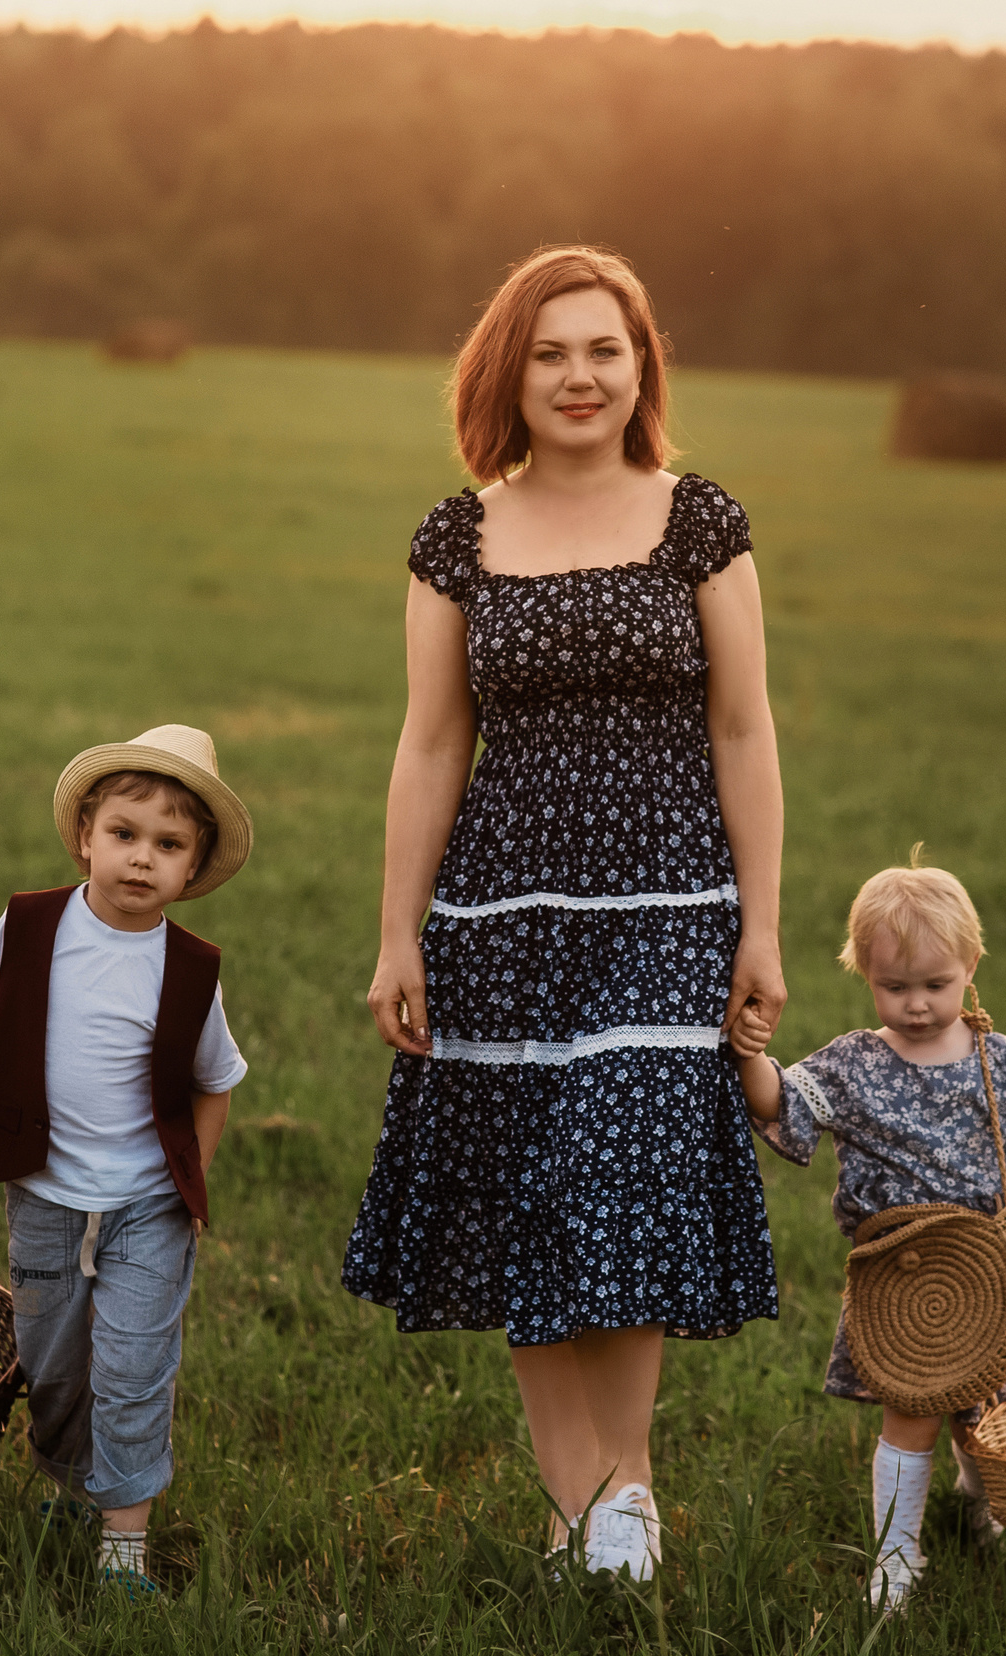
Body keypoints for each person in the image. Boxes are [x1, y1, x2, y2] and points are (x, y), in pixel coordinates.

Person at [339, 245, 788, 1581]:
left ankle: (616, 1491)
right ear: (509, 374)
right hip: (502, 915)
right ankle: (590, 1510)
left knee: (625, 1175)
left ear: (642, 364)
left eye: (604, 349)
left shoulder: (700, 521)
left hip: (669, 904)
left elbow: (745, 728)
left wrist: (761, 926)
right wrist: (397, 933)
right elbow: (429, 746)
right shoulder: (456, 536)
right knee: (533, 1192)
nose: (580, 376)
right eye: (551, 353)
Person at [0, 725, 253, 1592]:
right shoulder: (31, 927)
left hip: (148, 1206)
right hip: (45, 1195)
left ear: (193, 869)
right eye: (124, 834)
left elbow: (215, 1082)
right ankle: (72, 1485)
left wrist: (192, 1181)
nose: (142, 859)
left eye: (168, 845)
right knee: (56, 1367)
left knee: (134, 1368)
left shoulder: (190, 971)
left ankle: (123, 1544)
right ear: (85, 837)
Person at [728, 851, 1006, 1614]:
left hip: (994, 1269)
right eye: (893, 986)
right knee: (912, 1409)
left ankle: (987, 1507)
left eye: (935, 985)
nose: (914, 1005)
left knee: (994, 1407)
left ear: (971, 967)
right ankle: (895, 1555)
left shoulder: (993, 1058)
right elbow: (781, 1105)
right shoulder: (854, 1063)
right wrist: (749, 1060)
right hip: (909, 1278)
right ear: (862, 974)